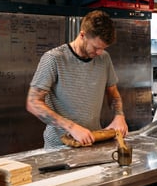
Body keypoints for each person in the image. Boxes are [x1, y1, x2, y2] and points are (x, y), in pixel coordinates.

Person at [27, 10, 128, 149]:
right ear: (82, 35)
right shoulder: (53, 59)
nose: (99, 53)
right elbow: (33, 103)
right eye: (96, 47)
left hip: (92, 141)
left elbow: (113, 92)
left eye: (103, 48)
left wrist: (119, 116)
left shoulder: (104, 58)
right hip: (59, 146)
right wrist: (71, 127)